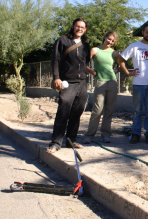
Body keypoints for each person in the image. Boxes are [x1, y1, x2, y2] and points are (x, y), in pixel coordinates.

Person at [47, 18, 91, 153]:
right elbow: (55, 60)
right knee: (63, 111)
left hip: (82, 83)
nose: (80, 29)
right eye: (78, 26)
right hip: (67, 82)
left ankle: (71, 140)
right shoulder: (62, 40)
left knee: (77, 112)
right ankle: (56, 142)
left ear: (85, 29)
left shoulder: (86, 45)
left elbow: (86, 62)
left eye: (82, 27)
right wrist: (56, 78)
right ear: (73, 26)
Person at [84, 31, 125, 144]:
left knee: (109, 110)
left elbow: (123, 64)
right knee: (97, 109)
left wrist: (116, 71)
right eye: (109, 39)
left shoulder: (114, 53)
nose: (110, 42)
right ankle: (89, 135)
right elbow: (84, 63)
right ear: (105, 37)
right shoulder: (95, 50)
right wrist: (93, 73)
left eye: (113, 41)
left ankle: (106, 135)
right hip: (100, 82)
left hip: (112, 82)